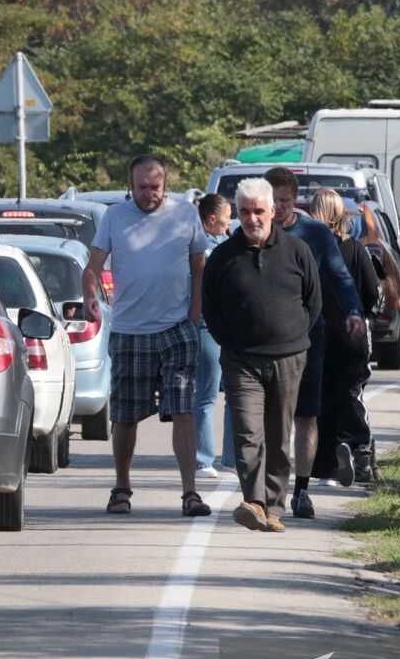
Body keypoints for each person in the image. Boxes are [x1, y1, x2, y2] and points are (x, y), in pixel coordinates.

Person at [83, 154, 211, 517]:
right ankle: (121, 488)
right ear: (130, 185)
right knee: (124, 414)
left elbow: (199, 267)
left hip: (177, 328)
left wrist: (195, 314)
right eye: (141, 187)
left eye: (155, 187)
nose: (148, 193)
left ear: (165, 185)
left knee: (183, 408)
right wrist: (89, 296)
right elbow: (92, 267)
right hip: (130, 331)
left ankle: (190, 493)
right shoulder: (114, 217)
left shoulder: (186, 214)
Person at [203, 177, 321, 532]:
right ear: (236, 214)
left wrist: (294, 338)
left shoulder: (297, 251)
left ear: (273, 210)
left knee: (278, 435)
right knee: (247, 431)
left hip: (288, 358)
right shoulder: (223, 256)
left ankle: (274, 507)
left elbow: (313, 302)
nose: (252, 218)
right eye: (244, 212)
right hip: (241, 361)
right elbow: (210, 308)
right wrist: (232, 342)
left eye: (258, 211)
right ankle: (253, 501)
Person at [262, 166, 364, 520]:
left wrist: (353, 310)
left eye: (284, 201)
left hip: (309, 335)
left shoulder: (315, 233)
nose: (278, 209)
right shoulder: (255, 232)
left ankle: (301, 490)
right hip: (265, 340)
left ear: (296, 199)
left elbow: (339, 275)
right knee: (272, 417)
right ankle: (267, 488)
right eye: (271, 201)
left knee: (306, 414)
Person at [307, 188, 381, 487]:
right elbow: (373, 291)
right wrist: (360, 312)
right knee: (351, 396)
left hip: (316, 334)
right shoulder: (354, 249)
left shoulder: (306, 248)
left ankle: (324, 466)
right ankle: (359, 454)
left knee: (320, 399)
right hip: (351, 334)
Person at [192, 194, 233, 478]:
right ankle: (203, 458)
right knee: (207, 393)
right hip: (207, 326)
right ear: (211, 220)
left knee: (236, 392)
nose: (230, 222)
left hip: (232, 327)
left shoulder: (226, 243)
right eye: (226, 217)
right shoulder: (200, 247)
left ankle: (232, 457)